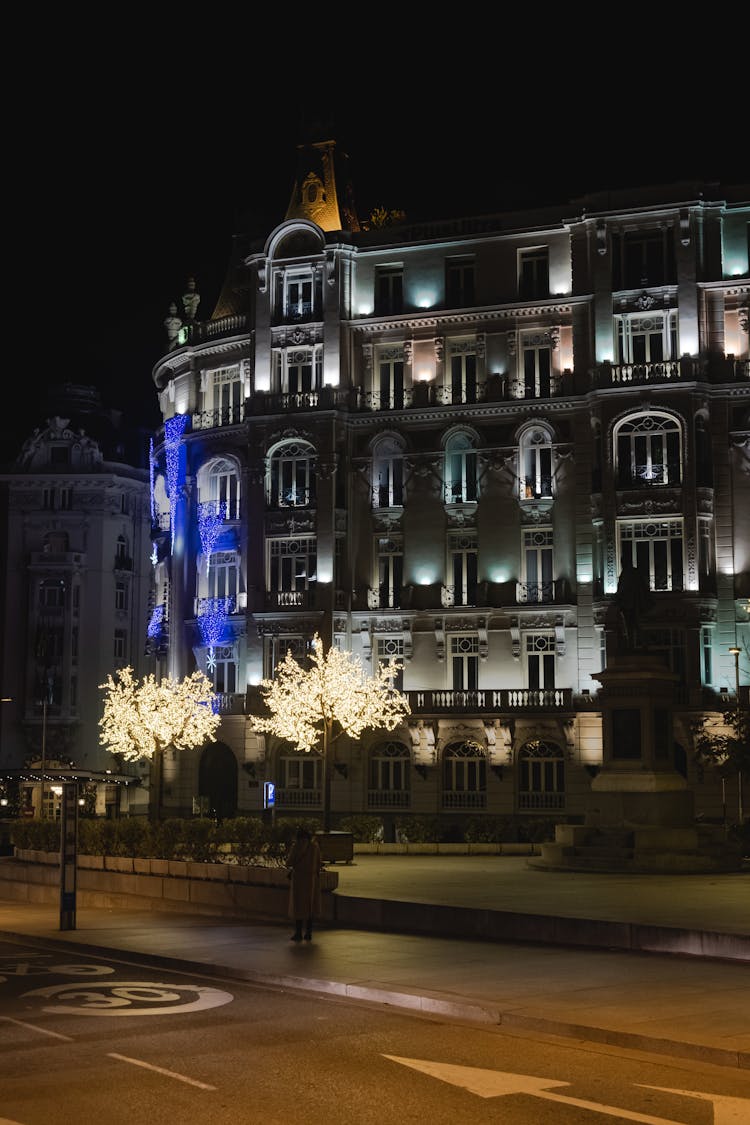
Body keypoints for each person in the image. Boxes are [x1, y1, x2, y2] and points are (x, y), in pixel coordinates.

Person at [285, 826, 322, 942]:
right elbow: (319, 862)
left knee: (298, 906)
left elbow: (289, 862)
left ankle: (298, 933)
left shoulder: (296, 846)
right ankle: (309, 933)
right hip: (312, 880)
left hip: (299, 879)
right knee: (310, 906)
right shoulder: (315, 847)